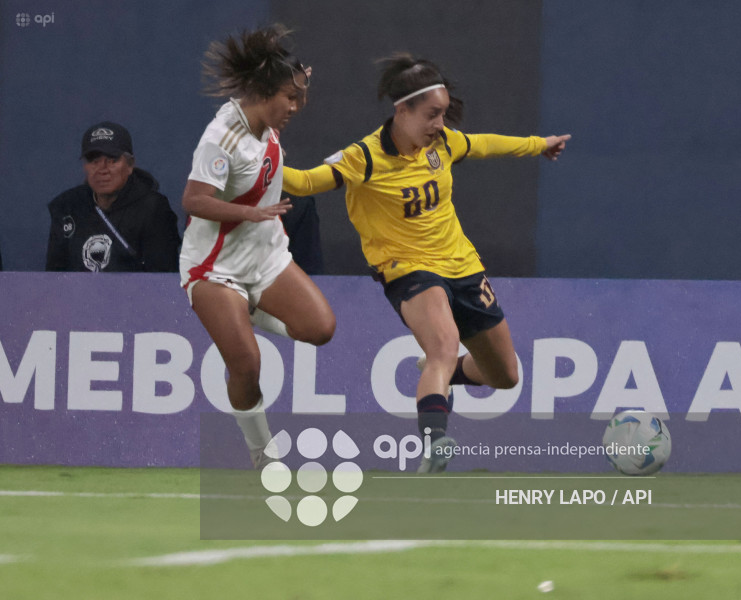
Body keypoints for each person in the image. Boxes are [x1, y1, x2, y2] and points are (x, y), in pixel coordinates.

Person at [283, 53, 570, 473]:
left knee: (505, 376)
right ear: (402, 110)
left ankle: (447, 373)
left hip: (463, 265)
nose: (440, 123)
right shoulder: (364, 157)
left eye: (443, 114)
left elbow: (486, 143)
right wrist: (261, 162)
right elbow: (308, 181)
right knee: (442, 345)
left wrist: (537, 145)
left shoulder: (443, 145)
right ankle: (435, 444)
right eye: (432, 114)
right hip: (407, 268)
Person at [180, 24, 335, 469]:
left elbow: (284, 87)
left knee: (321, 329)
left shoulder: (266, 119)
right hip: (214, 268)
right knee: (247, 363)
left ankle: (245, 309)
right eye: (290, 98)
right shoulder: (221, 139)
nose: (296, 107)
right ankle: (263, 455)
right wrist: (247, 213)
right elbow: (193, 200)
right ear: (265, 92)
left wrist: (297, 76)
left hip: (266, 258)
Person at [46, 122, 181, 272]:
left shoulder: (153, 209)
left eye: (112, 160)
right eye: (94, 161)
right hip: (78, 294)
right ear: (85, 166)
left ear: (130, 165)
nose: (102, 170)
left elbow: (162, 281)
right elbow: (54, 279)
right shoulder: (67, 206)